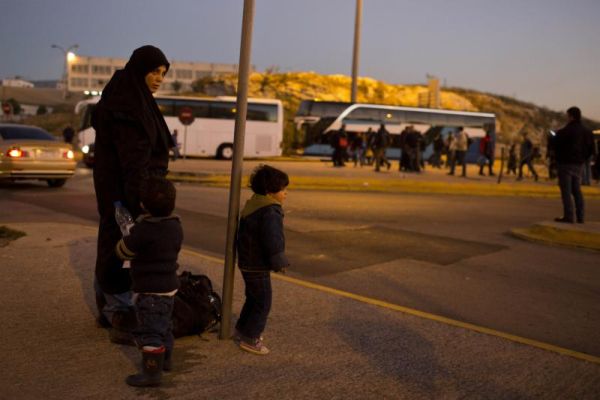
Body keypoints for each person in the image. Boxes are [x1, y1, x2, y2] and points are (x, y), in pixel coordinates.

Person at [91, 45, 174, 344]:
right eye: (154, 71)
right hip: (126, 194)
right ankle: (118, 310)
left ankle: (109, 307)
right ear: (139, 70)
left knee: (111, 242)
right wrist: (143, 200)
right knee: (121, 247)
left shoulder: (129, 98)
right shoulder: (129, 107)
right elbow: (134, 161)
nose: (159, 78)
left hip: (117, 191)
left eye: (163, 73)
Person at [115, 177, 183, 387]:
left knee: (150, 332)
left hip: (149, 290)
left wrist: (127, 235)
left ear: (143, 205)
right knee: (164, 325)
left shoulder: (143, 231)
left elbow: (122, 251)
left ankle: (151, 373)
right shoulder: (175, 226)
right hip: (170, 287)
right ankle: (167, 360)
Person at [235, 165, 290, 355]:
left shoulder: (254, 204)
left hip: (247, 261)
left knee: (253, 298)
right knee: (263, 302)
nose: (286, 193)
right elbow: (272, 239)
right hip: (258, 264)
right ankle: (251, 338)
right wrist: (279, 262)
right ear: (270, 191)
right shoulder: (270, 211)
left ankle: (243, 328)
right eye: (283, 189)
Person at [551, 107, 594, 223]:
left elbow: (555, 146)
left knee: (566, 191)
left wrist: (558, 159)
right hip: (578, 164)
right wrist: (582, 159)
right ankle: (580, 216)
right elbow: (591, 149)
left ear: (571, 116)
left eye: (567, 116)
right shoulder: (587, 132)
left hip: (565, 164)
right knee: (577, 190)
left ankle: (568, 216)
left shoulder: (564, 131)